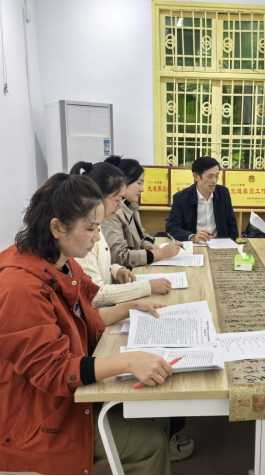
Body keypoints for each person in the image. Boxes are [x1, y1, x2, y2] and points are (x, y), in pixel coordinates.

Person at [0, 173, 174, 475]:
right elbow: (54, 371)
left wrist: (128, 308)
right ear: (57, 227)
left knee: (157, 410)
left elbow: (86, 320)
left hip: (54, 401)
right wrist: (127, 361)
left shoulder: (62, 264)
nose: (97, 237)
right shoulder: (18, 289)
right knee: (150, 443)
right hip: (32, 419)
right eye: (90, 228)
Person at [70, 161, 194, 461]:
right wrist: (142, 289)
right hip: (61, 406)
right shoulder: (31, 282)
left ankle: (162, 425)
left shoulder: (82, 245)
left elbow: (97, 278)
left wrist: (119, 277)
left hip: (88, 344)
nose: (97, 236)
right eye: (117, 198)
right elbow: (96, 295)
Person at [70, 161, 172, 307]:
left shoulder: (96, 225)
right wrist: (147, 286)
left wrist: (114, 269)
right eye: (117, 200)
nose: (120, 206)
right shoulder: (83, 234)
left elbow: (96, 265)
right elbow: (96, 294)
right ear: (98, 196)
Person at [102, 156, 183, 267]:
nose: (142, 189)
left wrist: (145, 243)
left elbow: (140, 234)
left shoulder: (130, 206)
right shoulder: (111, 213)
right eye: (139, 183)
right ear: (124, 182)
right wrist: (160, 253)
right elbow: (117, 257)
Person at [166, 156, 238, 243]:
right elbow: (172, 227)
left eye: (217, 176)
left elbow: (231, 224)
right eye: (210, 176)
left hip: (219, 244)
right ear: (196, 176)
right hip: (194, 244)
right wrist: (192, 237)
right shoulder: (181, 198)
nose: (214, 181)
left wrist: (232, 244)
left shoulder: (223, 193)